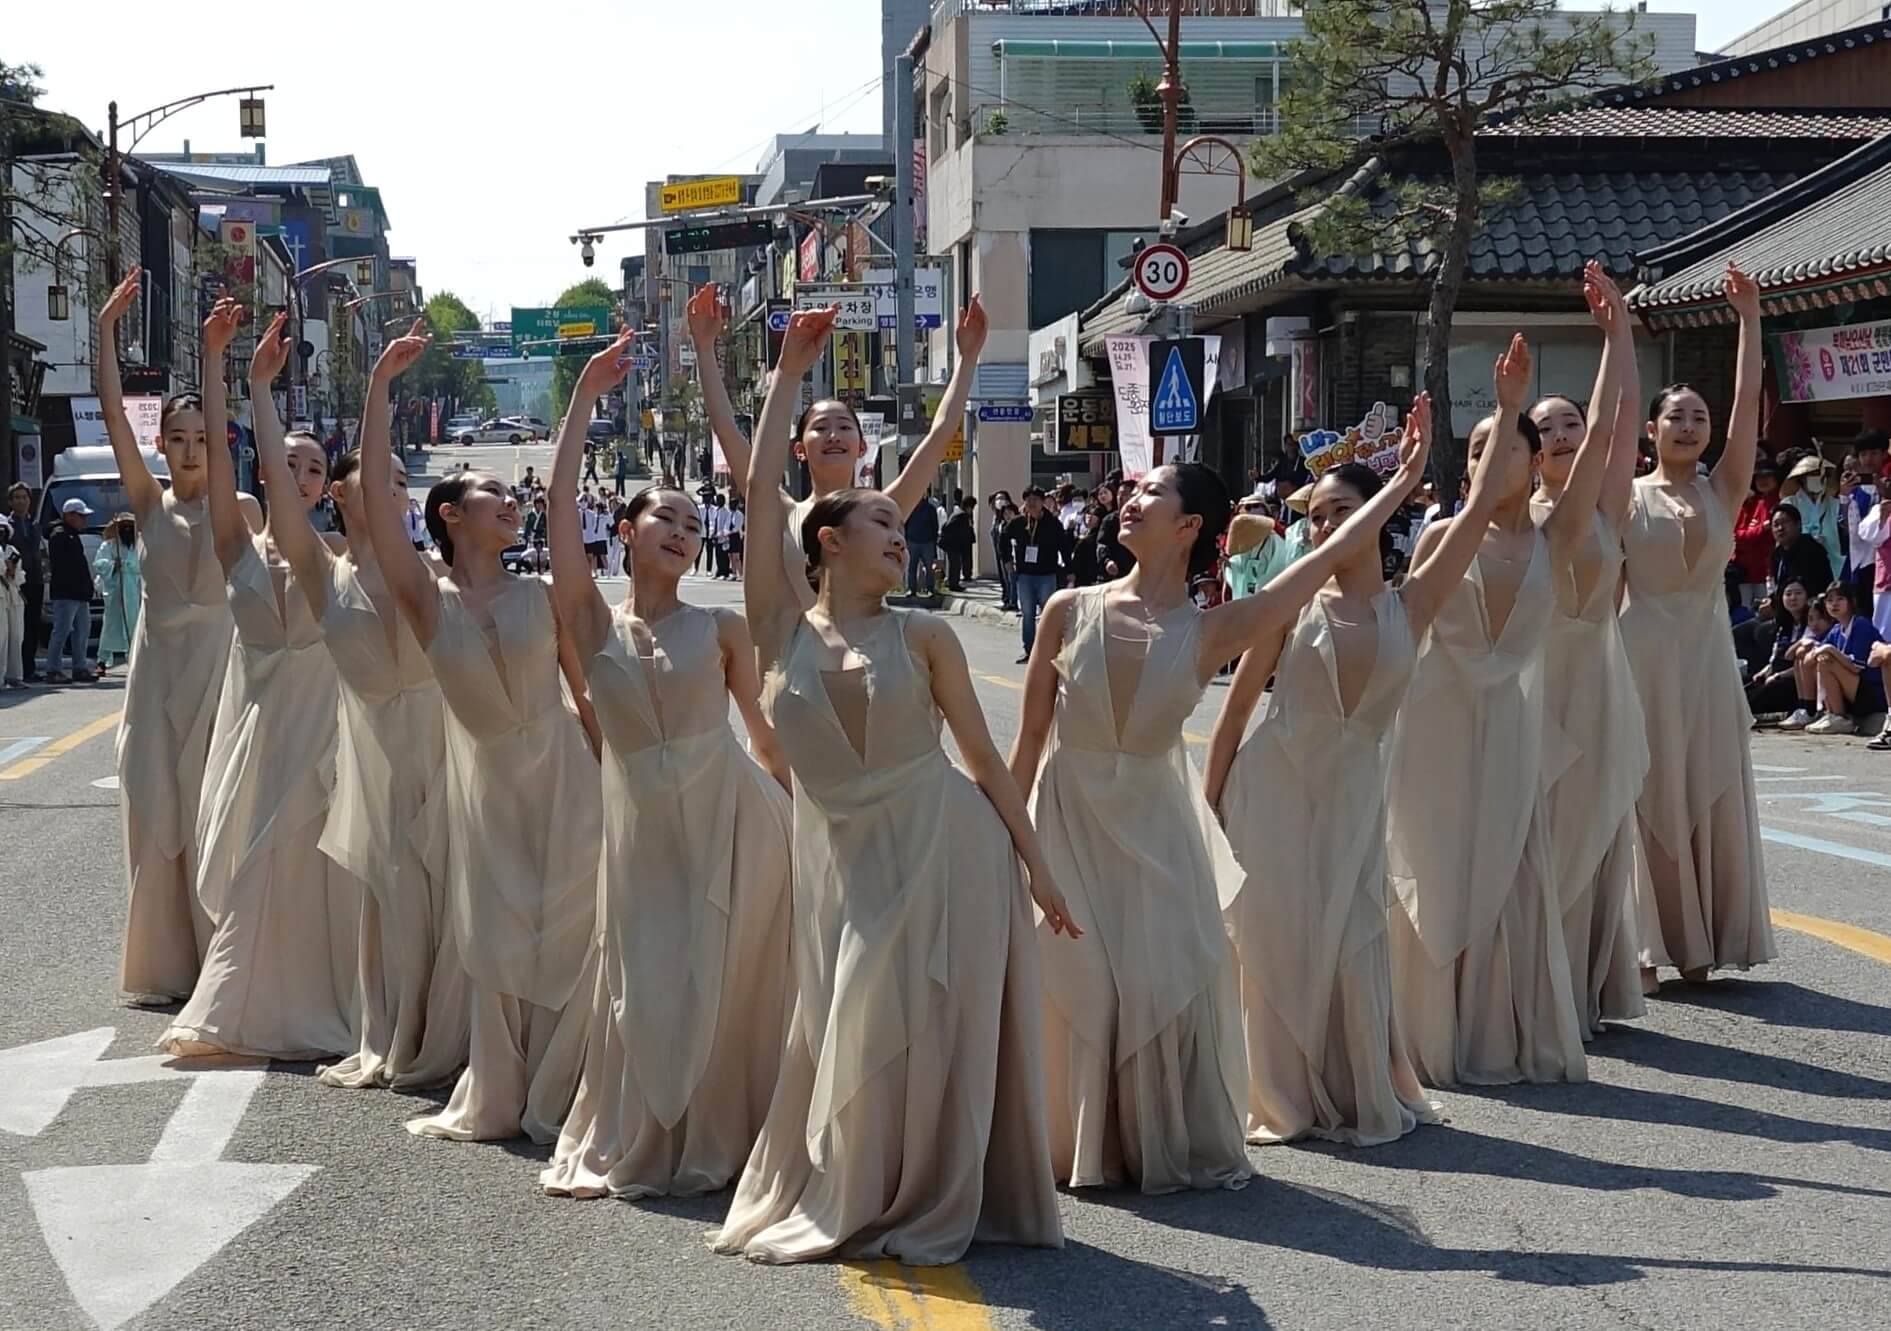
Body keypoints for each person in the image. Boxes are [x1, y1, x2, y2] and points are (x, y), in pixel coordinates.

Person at [712, 306, 1074, 1265]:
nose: (899, 530)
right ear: (824, 545)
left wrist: (1036, 865)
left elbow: (987, 762)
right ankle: (856, 1188)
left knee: (916, 1021)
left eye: (897, 520)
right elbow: (756, 492)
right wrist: (784, 367)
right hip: (841, 859)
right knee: (849, 1016)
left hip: (946, 845)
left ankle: (914, 1193)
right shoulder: (779, 630)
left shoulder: (928, 634)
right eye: (879, 520)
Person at [1009, 427, 1440, 1187]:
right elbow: (1027, 741)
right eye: (1131, 491)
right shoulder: (1067, 610)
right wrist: (1008, 841)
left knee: (1153, 984)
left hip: (1158, 828)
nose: (1131, 499)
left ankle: (1147, 1140)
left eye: (1152, 493)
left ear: (1189, 527)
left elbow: (1319, 563)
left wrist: (1401, 482)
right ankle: (1073, 1143)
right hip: (1068, 815)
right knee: (1082, 983)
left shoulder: (1218, 628)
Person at [539, 334, 794, 1202]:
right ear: (627, 531)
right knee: (643, 979)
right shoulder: (588, 618)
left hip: (730, 816)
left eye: (694, 522)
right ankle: (646, 1126)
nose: (685, 532)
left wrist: (805, 811)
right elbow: (557, 514)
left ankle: (723, 1128)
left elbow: (761, 727)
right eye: (666, 519)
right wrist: (580, 399)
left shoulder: (720, 627)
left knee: (721, 973)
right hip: (638, 826)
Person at [1204, 394, 1496, 1146]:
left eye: (1341, 512)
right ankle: (1278, 1094)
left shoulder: (1414, 603)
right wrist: (1209, 805)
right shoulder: (1287, 605)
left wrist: (1513, 406)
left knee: (1351, 939)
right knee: (1273, 939)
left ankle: (1354, 1084)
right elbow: (1234, 712)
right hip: (1272, 784)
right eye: (1318, 516)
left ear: (1374, 518)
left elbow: (1474, 517)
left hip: (1356, 793)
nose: (1326, 527)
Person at [359, 322, 602, 1144]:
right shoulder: (425, 599)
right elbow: (375, 512)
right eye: (490, 497)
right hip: (486, 785)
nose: (509, 502)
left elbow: (584, 688)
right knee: (499, 938)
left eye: (511, 500)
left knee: (572, 926)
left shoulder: (540, 595)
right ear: (450, 516)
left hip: (567, 769)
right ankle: (503, 1086)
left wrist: (581, 399)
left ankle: (570, 1084)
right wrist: (381, 387)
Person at [230, 319, 471, 1089]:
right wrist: (261, 390)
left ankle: (461, 1033)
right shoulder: (320, 569)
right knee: (394, 902)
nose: (391, 487)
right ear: (342, 491)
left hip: (445, 752)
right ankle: (401, 1028)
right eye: (376, 476)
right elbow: (276, 477)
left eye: (402, 480)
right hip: (369, 764)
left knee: (455, 897)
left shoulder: (433, 572)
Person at [1386, 329, 1598, 1088]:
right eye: (1473, 448)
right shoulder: (1443, 534)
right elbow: (1408, 625)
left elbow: (1600, 439)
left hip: (1509, 725)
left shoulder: (1556, 534)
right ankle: (1422, 1032)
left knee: (1507, 869)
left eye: (1503, 445)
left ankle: (1496, 1030)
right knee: (1433, 866)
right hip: (1434, 723)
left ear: (1536, 460)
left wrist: (1613, 340)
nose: (1485, 460)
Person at [159, 299, 361, 1061]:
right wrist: (224, 367)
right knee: (244, 860)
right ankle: (252, 995)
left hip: (320, 734)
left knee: (300, 866)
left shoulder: (340, 551)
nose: (301, 475)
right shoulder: (235, 541)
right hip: (250, 734)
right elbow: (223, 457)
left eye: (314, 467)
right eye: (291, 463)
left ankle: (286, 1000)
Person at [1621, 263, 1774, 988]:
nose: (1688, 425)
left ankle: (1703, 940)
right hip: (1637, 656)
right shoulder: (1620, 495)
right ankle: (1645, 943)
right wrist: (1617, 333)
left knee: (1706, 786)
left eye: (1697, 417)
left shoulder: (1724, 488)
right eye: (1674, 416)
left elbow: (1747, 401)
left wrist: (1749, 321)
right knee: (1646, 791)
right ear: (1649, 429)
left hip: (1707, 658)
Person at [90, 272, 239, 1003]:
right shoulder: (147, 503)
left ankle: (223, 961)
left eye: (200, 437)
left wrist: (214, 358)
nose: (187, 449)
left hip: (218, 673)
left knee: (212, 810)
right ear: (162, 444)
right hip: (153, 680)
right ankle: (163, 966)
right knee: (155, 810)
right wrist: (106, 329)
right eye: (175, 438)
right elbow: (114, 414)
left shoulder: (236, 506)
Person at [689, 282, 987, 613]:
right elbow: (728, 431)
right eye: (820, 428)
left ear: (861, 446)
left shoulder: (882, 511)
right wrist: (704, 348)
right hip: (798, 658)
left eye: (844, 427)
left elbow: (938, 437)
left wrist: (968, 360)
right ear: (799, 450)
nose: (833, 435)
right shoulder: (780, 511)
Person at [1527, 266, 1649, 1040]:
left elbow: (1622, 417)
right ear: (1527, 450)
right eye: (1549, 429)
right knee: (1549, 830)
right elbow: (1611, 421)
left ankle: (1590, 980)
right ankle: (1544, 982)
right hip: (1544, 680)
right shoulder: (1529, 519)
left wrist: (1619, 332)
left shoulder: (1609, 505)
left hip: (1602, 675)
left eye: (1573, 424)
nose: (1568, 436)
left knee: (1601, 827)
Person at [1803, 582, 1884, 735]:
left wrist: (1831, 650)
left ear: (1851, 601)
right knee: (1822, 659)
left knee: (1828, 662)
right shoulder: (1835, 630)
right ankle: (1824, 712)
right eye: (1829, 600)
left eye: (1840, 599)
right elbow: (1813, 656)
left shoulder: (1861, 625)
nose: (1834, 604)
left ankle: (1839, 718)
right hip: (1853, 692)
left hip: (1872, 692)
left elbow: (1857, 666)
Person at [1004, 488, 1071, 663]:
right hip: (1024, 575)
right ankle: (1029, 650)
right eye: (1028, 500)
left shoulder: (1053, 523)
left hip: (1047, 575)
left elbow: (1064, 547)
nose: (1031, 503)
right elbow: (1002, 539)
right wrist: (1007, 560)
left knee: (1048, 614)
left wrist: (1070, 570)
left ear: (1043, 502)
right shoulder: (1018, 523)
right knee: (1027, 614)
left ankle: (1049, 650)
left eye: (1035, 500)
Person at [1747, 580, 1815, 723]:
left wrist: (1778, 675)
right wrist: (1764, 672)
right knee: (1744, 682)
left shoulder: (1812, 623)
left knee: (1753, 699)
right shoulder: (1783, 626)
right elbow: (1774, 658)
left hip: (1793, 680)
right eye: (1788, 594)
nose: (1793, 598)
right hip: (1776, 674)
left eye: (1798, 593)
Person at [45, 498, 97, 683]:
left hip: (79, 594)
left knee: (82, 631)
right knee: (61, 631)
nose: (85, 520)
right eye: (81, 516)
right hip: (66, 593)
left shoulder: (72, 535)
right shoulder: (59, 535)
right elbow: (64, 567)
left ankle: (79, 667)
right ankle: (53, 669)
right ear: (69, 515)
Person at [93, 512, 142, 674]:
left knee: (134, 624)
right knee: (110, 625)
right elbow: (99, 563)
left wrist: (127, 564)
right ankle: (102, 660)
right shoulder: (108, 545)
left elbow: (143, 564)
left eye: (130, 526)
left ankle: (134, 659)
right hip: (115, 591)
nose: (127, 529)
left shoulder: (139, 545)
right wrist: (113, 564)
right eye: (123, 526)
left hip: (133, 592)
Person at [1782, 454, 1842, 578]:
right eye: (1812, 475)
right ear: (1802, 478)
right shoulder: (1789, 503)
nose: (1817, 478)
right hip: (1800, 561)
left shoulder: (1834, 503)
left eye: (1820, 474)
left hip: (1830, 560)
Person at [7, 484, 42, 682]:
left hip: (35, 580)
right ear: (11, 501)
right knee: (16, 628)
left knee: (32, 625)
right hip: (16, 583)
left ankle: (29, 667)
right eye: (17, 497)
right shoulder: (6, 526)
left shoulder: (34, 525)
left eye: (25, 497)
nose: (21, 501)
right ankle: (16, 668)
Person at [1732, 459, 1778, 608]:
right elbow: (1735, 536)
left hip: (1767, 572)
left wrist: (1751, 536)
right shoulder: (1751, 503)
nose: (1762, 481)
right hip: (1744, 572)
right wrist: (1759, 531)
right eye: (1759, 477)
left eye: (1767, 476)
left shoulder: (1782, 502)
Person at [1768, 500, 1832, 601]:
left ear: (1798, 524)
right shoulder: (1777, 554)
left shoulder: (1811, 549)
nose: (1780, 528)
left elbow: (1813, 587)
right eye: (1776, 525)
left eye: (1785, 522)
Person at [904, 487, 941, 599]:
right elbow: (905, 523)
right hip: (912, 541)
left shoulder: (930, 509)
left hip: (927, 542)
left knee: (929, 568)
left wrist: (933, 540)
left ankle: (930, 589)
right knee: (911, 567)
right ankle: (911, 589)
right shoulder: (910, 508)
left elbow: (935, 526)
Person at [0, 518, 24, 687]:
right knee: (1, 637)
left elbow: (20, 576)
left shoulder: (12, 550)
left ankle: (14, 676)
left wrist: (13, 571)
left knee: (16, 636)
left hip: (13, 596)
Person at [940, 495, 977, 591]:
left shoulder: (957, 513)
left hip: (953, 544)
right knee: (955, 565)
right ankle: (954, 584)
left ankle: (954, 583)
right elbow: (950, 528)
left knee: (955, 564)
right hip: (954, 544)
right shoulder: (962, 515)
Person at [990, 495, 1019, 610]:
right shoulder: (1002, 526)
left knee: (1016, 581)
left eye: (1010, 513)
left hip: (1019, 557)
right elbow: (1001, 543)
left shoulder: (1020, 524)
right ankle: (1011, 600)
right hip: (1007, 557)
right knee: (1009, 579)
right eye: (1005, 514)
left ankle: (1014, 601)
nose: (1007, 516)